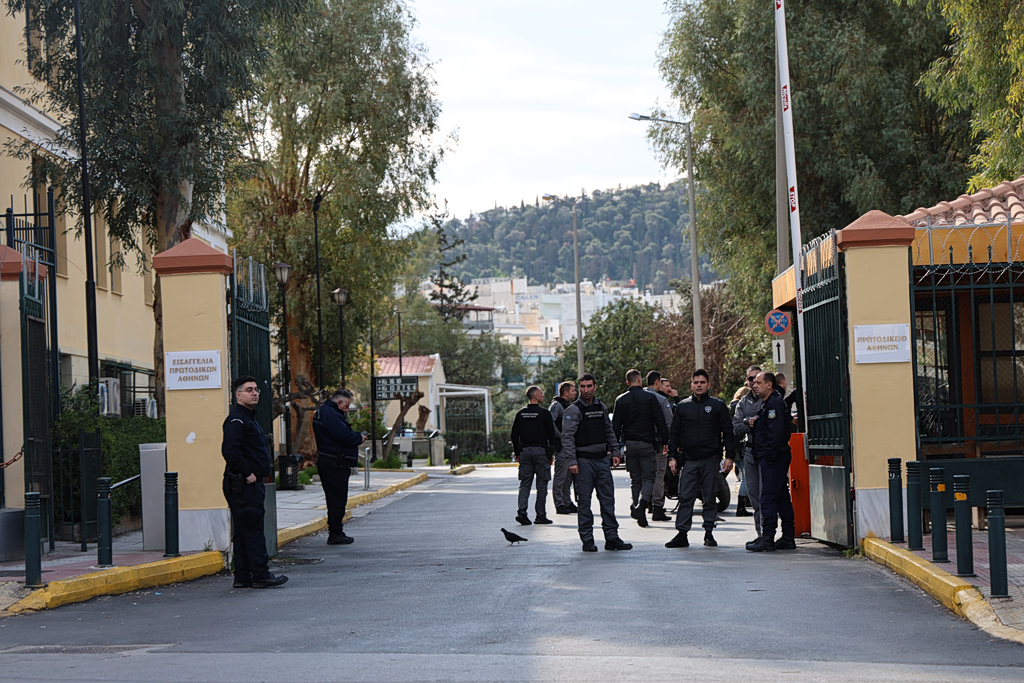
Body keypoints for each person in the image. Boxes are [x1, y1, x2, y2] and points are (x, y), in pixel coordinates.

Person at [221, 376, 287, 588]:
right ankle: (260, 574)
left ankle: (243, 576)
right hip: (243, 484)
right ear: (238, 395)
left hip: (246, 483)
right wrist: (247, 472)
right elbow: (230, 450)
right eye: (249, 390)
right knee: (253, 528)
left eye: (256, 389)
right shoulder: (237, 420)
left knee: (243, 531)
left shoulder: (248, 418)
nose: (255, 393)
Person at [561, 373, 632, 552]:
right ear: (579, 388)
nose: (586, 390)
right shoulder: (573, 410)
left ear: (594, 387)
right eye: (583, 386)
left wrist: (615, 451)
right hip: (583, 462)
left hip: (601, 461)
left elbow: (609, 432)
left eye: (589, 386)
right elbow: (567, 438)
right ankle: (587, 540)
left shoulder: (601, 407)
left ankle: (612, 538)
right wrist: (572, 461)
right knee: (584, 502)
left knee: (608, 500)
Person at [665, 369, 735, 548]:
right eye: (696, 382)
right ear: (691, 385)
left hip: (710, 459)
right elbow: (674, 434)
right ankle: (682, 534)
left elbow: (728, 432)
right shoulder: (683, 406)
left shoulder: (718, 406)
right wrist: (672, 457)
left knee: (709, 496)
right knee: (685, 496)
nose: (699, 385)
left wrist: (730, 456)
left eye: (702, 382)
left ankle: (709, 532)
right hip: (689, 460)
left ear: (708, 385)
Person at [746, 371, 797, 552]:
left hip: (773, 458)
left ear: (769, 385)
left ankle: (767, 537)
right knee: (781, 497)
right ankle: (788, 536)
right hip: (773, 457)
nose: (754, 385)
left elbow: (775, 434)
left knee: (768, 497)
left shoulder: (774, 403)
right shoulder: (769, 403)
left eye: (758, 382)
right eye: (754, 382)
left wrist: (768, 455)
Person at [613, 369, 668, 528]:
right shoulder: (650, 398)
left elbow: (615, 426)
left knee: (635, 479)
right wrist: (665, 440)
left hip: (630, 444)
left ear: (627, 382)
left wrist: (615, 448)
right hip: (647, 443)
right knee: (649, 477)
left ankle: (636, 504)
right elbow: (660, 421)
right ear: (639, 380)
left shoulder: (621, 400)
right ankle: (642, 505)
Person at [312, 389, 368, 545]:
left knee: (335, 498)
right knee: (337, 499)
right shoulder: (330, 414)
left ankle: (336, 531)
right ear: (339, 402)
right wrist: (358, 437)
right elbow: (342, 435)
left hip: (330, 460)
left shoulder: (324, 412)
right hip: (334, 462)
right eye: (346, 406)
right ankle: (336, 532)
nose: (347, 410)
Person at [510, 385, 559, 525]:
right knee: (542, 485)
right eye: (541, 393)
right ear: (536, 396)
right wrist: (551, 454)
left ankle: (522, 513)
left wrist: (517, 453)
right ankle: (540, 515)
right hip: (540, 452)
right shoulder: (544, 414)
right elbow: (551, 436)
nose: (543, 395)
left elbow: (514, 436)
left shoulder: (520, 413)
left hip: (525, 452)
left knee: (525, 484)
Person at [733, 365, 764, 540]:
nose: (754, 382)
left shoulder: (771, 399)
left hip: (768, 452)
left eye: (757, 378)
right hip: (750, 451)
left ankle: (775, 534)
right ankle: (761, 535)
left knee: (768, 494)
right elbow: (736, 427)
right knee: (754, 495)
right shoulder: (743, 402)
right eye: (751, 379)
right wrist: (749, 423)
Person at [646, 371, 675, 521]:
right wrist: (669, 442)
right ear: (657, 382)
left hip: (639, 443)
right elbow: (669, 423)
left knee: (641, 476)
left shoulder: (636, 397)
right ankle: (657, 507)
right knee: (658, 474)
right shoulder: (661, 399)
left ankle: (641, 504)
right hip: (657, 443)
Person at [549, 380, 579, 515]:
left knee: (568, 477)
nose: (575, 393)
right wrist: (561, 437)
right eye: (573, 390)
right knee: (560, 476)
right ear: (565, 393)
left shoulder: (569, 406)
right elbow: (550, 423)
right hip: (562, 446)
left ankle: (567, 502)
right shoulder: (556, 405)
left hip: (570, 446)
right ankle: (559, 503)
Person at [729, 385, 753, 517]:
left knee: (743, 475)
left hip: (733, 446)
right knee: (746, 477)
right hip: (741, 446)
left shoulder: (730, 407)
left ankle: (742, 505)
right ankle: (741, 506)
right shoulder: (741, 407)